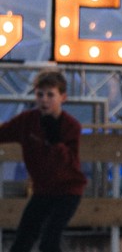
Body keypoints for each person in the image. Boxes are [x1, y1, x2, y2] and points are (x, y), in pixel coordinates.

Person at [0, 70, 86, 252]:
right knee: (22, 240)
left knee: (49, 241)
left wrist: (56, 143)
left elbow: (70, 164)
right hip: (42, 190)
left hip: (67, 191)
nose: (44, 100)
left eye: (50, 95)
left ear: (63, 97)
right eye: (40, 95)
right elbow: (3, 132)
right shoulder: (27, 121)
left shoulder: (71, 126)